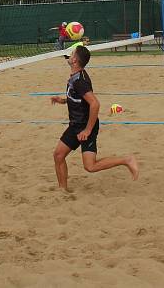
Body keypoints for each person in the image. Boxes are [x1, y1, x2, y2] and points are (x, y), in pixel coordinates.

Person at [50, 45, 138, 191]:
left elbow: (95, 104)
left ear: (75, 60)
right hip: (75, 126)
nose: (70, 56)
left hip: (86, 127)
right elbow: (79, 97)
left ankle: (126, 160)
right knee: (58, 155)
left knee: (90, 166)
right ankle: (62, 190)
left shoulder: (80, 81)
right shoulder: (77, 75)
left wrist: (88, 130)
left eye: (72, 54)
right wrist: (64, 100)